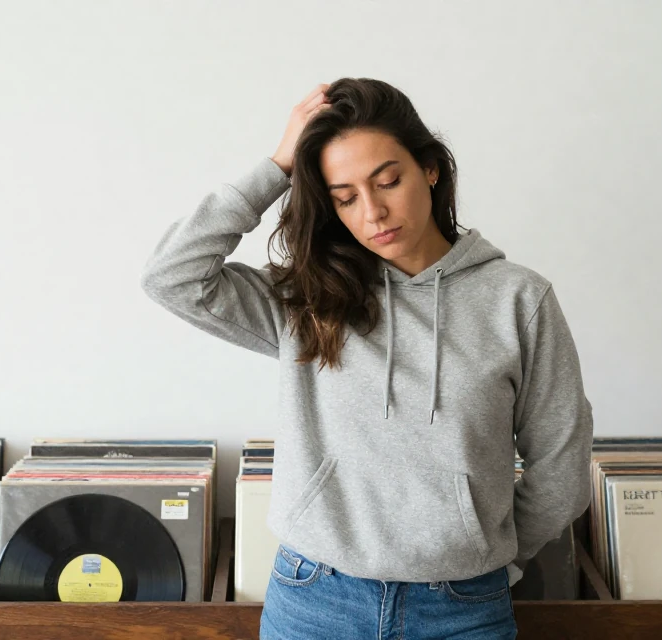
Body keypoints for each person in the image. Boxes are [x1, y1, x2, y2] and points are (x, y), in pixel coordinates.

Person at [141, 78, 594, 640]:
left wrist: (487, 554)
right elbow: (172, 276)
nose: (374, 212)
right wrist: (277, 167)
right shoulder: (308, 299)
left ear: (430, 168)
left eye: (388, 181)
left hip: (463, 609)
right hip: (314, 601)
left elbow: (561, 466)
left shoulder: (518, 300)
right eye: (345, 197)